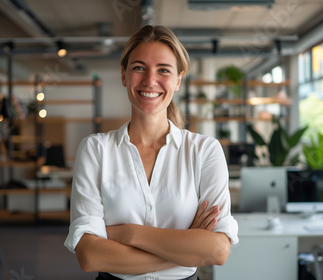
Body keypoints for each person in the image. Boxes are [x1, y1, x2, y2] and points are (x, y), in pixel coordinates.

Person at [64, 25, 239, 280]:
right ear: (124, 75)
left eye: (163, 70)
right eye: (138, 67)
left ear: (178, 79)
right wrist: (188, 247)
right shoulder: (96, 150)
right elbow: (90, 257)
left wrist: (127, 233)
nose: (149, 80)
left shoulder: (204, 151)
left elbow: (218, 250)